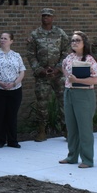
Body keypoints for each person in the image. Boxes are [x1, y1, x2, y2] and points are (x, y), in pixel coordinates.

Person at [26, 8, 70, 142]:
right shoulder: (35, 35)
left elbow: (67, 52)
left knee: (64, 102)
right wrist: (39, 69)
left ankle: (67, 130)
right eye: (44, 16)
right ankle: (41, 131)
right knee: (42, 104)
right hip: (42, 76)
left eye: (48, 16)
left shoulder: (60, 33)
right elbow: (31, 55)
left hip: (58, 75)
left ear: (52, 18)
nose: (46, 18)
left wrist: (58, 68)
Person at [57, 31, 97, 168]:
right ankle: (72, 156)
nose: (74, 43)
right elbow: (64, 68)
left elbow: (95, 80)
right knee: (72, 127)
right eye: (73, 40)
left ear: (84, 43)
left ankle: (87, 159)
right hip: (69, 93)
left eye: (77, 40)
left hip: (84, 95)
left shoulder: (89, 60)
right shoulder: (69, 57)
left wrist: (77, 80)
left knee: (84, 128)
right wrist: (69, 79)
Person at [0, 31, 25, 148]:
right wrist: (0, 83)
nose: (2, 40)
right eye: (1, 38)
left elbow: (22, 71)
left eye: (5, 38)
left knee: (12, 115)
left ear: (11, 41)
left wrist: (14, 83)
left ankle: (13, 140)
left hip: (15, 89)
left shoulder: (16, 55)